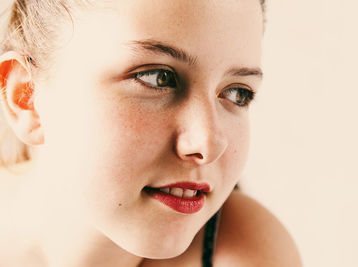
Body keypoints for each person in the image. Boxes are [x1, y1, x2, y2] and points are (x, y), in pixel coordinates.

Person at [0, 0, 302, 266]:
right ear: (26, 98)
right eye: (158, 78)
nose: (208, 144)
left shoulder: (243, 252)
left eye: (237, 93)